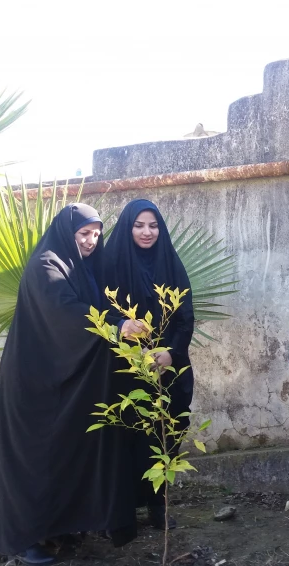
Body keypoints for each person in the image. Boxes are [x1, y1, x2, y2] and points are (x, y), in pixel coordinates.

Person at [0, 204, 139, 566]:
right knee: (33, 461)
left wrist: (124, 323)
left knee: (62, 457)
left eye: (96, 234)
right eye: (84, 234)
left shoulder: (80, 268)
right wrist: (115, 328)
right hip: (32, 386)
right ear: (67, 233)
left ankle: (58, 529)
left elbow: (91, 309)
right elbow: (66, 312)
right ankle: (22, 539)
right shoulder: (46, 266)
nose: (92, 241)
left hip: (59, 383)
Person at [103, 199, 194, 531]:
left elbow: (185, 318)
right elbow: (102, 314)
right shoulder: (109, 265)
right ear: (128, 228)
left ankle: (159, 504)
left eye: (153, 225)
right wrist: (126, 337)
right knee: (126, 438)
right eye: (139, 225)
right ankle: (122, 511)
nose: (147, 232)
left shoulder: (170, 264)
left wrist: (170, 352)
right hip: (125, 373)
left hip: (167, 369)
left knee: (165, 435)